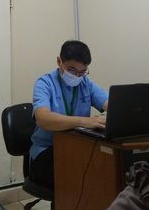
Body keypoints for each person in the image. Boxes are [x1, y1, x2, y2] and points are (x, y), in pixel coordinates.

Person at [29, 40, 108, 190]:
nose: (77, 76)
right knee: (80, 177)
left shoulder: (85, 83)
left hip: (76, 148)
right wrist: (84, 121)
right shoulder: (44, 83)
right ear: (59, 61)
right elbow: (42, 118)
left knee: (104, 168)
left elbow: (110, 104)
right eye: (72, 70)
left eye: (82, 71)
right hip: (47, 152)